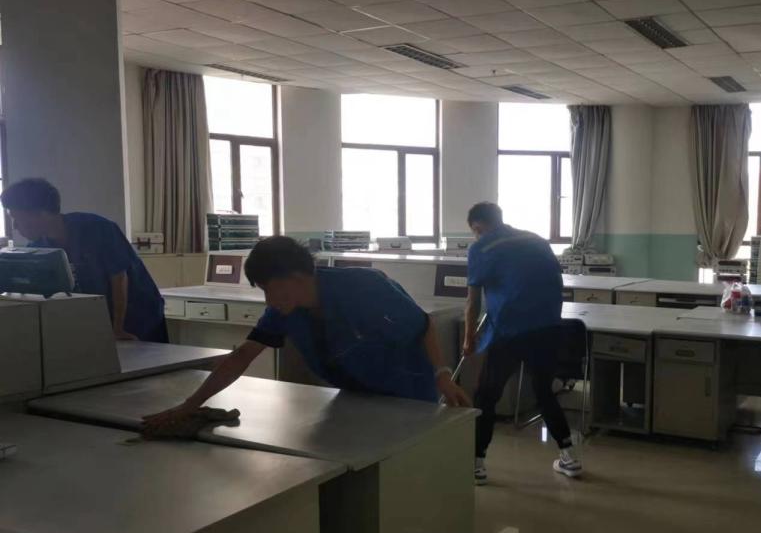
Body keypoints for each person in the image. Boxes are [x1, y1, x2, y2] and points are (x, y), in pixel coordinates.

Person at [143, 236, 470, 432]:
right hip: (353, 396)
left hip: (407, 395)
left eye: (271, 289)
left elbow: (422, 324)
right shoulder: (284, 310)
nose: (269, 300)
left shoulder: (363, 287)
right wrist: (190, 404)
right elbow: (243, 355)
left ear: (297, 278)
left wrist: (442, 375)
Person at [463, 202, 581, 485]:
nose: (476, 235)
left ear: (478, 227)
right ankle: (569, 457)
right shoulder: (536, 240)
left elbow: (473, 302)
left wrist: (469, 339)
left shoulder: (481, 248)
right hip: (548, 328)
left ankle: (476, 464)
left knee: (486, 396)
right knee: (544, 391)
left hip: (510, 331)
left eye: (475, 231)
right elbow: (553, 280)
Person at [1, 178, 167, 342]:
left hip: (138, 314)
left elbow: (119, 278)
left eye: (17, 218)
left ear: (41, 213)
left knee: (145, 357)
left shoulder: (97, 228)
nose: (15, 226)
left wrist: (118, 328)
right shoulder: (38, 247)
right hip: (100, 317)